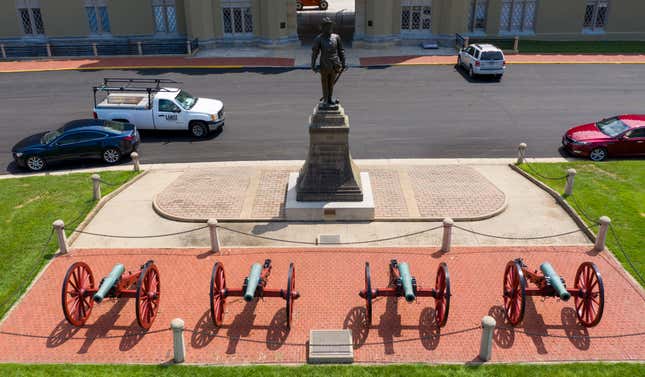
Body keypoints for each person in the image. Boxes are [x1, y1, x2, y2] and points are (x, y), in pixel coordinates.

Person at [311, 17, 346, 108]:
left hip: (335, 64)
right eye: (326, 26)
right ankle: (326, 100)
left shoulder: (336, 37)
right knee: (325, 82)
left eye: (330, 26)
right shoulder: (318, 38)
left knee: (331, 82)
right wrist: (313, 64)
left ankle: (330, 99)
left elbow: (341, 50)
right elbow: (315, 52)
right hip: (324, 64)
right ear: (322, 27)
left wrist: (343, 61)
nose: (329, 28)